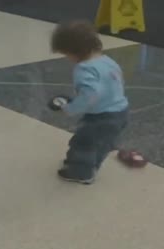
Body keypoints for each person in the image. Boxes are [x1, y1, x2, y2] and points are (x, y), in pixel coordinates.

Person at [50, 21, 129, 184]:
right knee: (101, 144)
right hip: (121, 111)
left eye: (66, 54)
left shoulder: (84, 69)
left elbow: (92, 94)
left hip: (101, 117)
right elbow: (118, 81)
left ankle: (81, 173)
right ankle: (91, 165)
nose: (67, 58)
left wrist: (71, 108)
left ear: (75, 51)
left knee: (83, 144)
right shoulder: (107, 61)